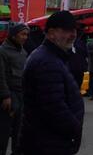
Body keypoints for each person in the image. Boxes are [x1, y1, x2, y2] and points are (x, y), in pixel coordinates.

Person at [21, 10, 84, 155]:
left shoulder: (52, 57)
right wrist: (74, 129)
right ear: (51, 33)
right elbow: (54, 108)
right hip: (48, 144)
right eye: (67, 30)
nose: (73, 34)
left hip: (49, 141)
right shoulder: (47, 62)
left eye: (74, 30)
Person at [0, 23, 28, 154]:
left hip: (21, 95)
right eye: (22, 34)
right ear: (13, 35)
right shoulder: (2, 51)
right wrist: (5, 96)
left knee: (19, 132)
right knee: (3, 133)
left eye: (26, 34)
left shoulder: (23, 51)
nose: (25, 37)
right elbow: (0, 76)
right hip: (8, 98)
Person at [67, 27, 89, 92]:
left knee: (80, 79)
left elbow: (86, 52)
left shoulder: (80, 43)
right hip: (71, 66)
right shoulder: (66, 43)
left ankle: (81, 90)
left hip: (80, 66)